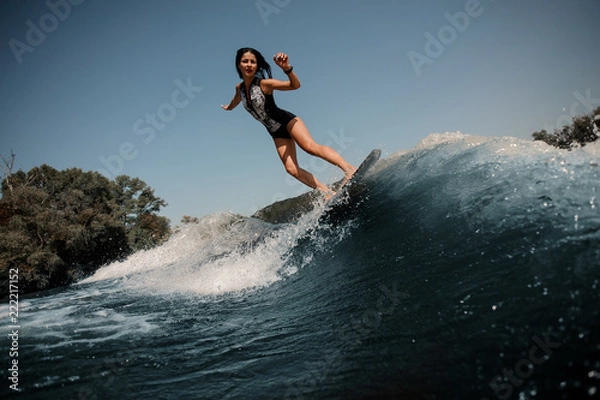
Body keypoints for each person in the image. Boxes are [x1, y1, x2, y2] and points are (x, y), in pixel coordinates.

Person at [221, 47, 356, 198]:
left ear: (257, 66)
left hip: (287, 121)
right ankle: (326, 192)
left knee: (310, 147)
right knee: (291, 169)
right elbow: (236, 100)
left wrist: (287, 69)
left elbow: (294, 85)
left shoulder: (265, 84)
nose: (249, 65)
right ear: (238, 64)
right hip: (275, 131)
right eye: (245, 61)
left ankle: (349, 168)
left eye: (253, 62)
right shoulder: (239, 88)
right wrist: (229, 107)